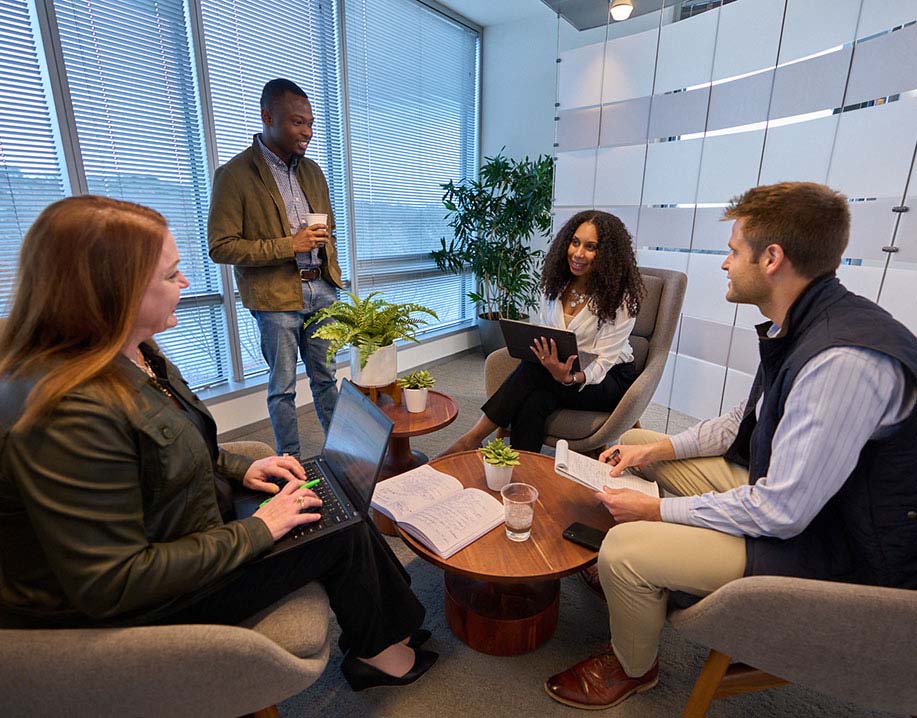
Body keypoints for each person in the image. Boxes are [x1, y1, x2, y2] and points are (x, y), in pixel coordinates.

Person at [0, 196, 436, 691]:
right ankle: (381, 652)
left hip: (182, 526)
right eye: (170, 275)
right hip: (143, 604)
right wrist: (258, 530)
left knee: (330, 497)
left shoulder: (134, 351)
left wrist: (235, 468)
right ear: (113, 292)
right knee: (339, 527)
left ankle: (390, 629)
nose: (185, 284)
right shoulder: (68, 413)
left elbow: (170, 445)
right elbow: (115, 583)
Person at [544, 182, 917, 710]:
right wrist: (653, 452)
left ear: (772, 259)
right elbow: (743, 424)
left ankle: (634, 666)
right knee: (637, 440)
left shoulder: (841, 361)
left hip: (830, 542)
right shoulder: (807, 322)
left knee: (623, 550)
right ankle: (663, 573)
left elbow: (782, 512)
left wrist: (655, 511)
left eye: (733, 250)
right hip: (800, 499)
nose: (724, 264)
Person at [208, 78, 343, 458]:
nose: (308, 132)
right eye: (298, 122)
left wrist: (323, 244)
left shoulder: (314, 171)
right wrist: (290, 245)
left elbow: (328, 227)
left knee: (325, 378)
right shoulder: (234, 176)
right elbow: (221, 246)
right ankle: (292, 463)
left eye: (311, 123)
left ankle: (344, 455)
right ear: (267, 116)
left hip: (322, 288)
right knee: (283, 387)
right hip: (276, 297)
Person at [443, 210, 644, 455]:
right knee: (534, 401)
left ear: (607, 254)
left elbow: (604, 363)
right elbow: (549, 334)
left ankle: (472, 438)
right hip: (559, 371)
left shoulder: (621, 299)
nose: (578, 253)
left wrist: (569, 378)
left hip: (607, 380)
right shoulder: (555, 284)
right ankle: (519, 474)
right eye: (575, 242)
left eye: (590, 247)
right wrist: (550, 362)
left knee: (533, 370)